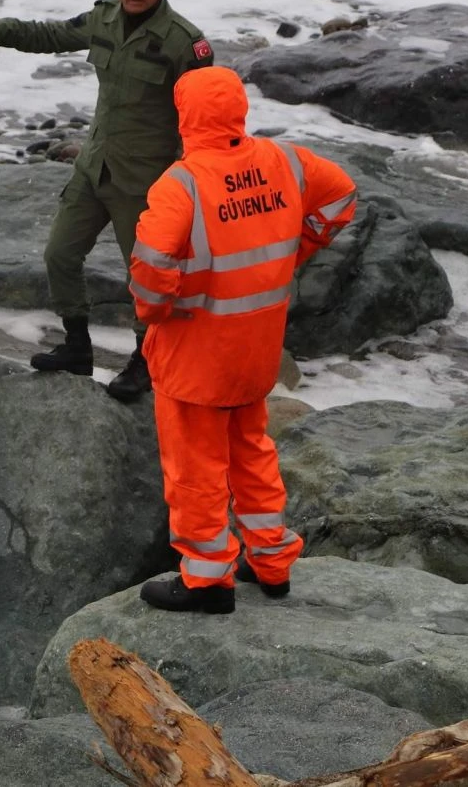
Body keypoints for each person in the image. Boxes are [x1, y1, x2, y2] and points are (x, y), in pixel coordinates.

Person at [127, 65, 356, 614]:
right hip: (257, 349)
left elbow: (152, 264)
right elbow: (341, 198)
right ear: (238, 111)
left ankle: (207, 581)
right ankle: (271, 562)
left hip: (196, 355)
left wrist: (159, 310)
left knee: (196, 469)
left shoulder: (181, 183)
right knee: (251, 451)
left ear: (185, 116)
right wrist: (295, 253)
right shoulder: (286, 162)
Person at [0, 0, 215, 402]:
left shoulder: (184, 44)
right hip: (94, 169)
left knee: (146, 278)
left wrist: (195, 182)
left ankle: (145, 360)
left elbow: (205, 117)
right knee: (59, 255)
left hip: (149, 184)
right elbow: (49, 35)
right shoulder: (103, 18)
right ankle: (76, 346)